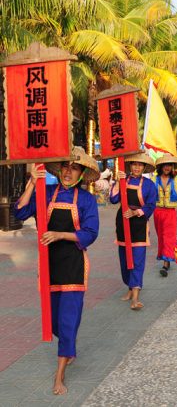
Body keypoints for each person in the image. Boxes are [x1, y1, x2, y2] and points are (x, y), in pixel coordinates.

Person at [15, 147, 100, 395]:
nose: (68, 172)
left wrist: (60, 234)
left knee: (67, 319)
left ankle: (59, 375)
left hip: (73, 265)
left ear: (82, 174)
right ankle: (68, 345)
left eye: (74, 168)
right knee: (54, 321)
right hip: (50, 265)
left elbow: (91, 233)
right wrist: (32, 183)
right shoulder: (48, 192)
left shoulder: (86, 200)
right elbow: (20, 211)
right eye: (65, 166)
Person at [110, 152, 157, 311]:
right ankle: (129, 288)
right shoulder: (124, 179)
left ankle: (136, 297)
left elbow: (151, 206)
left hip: (139, 224)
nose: (136, 167)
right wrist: (118, 181)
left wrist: (136, 212)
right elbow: (113, 199)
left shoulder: (149, 185)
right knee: (124, 260)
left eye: (140, 165)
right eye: (134, 164)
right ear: (130, 166)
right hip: (122, 222)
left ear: (144, 167)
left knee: (137, 260)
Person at [153, 154, 177, 277]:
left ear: (172, 167)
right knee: (161, 237)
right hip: (157, 211)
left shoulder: (176, 179)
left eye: (169, 165)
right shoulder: (154, 179)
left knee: (168, 237)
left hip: (170, 212)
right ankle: (166, 258)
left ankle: (165, 264)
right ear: (160, 166)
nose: (167, 167)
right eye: (165, 165)